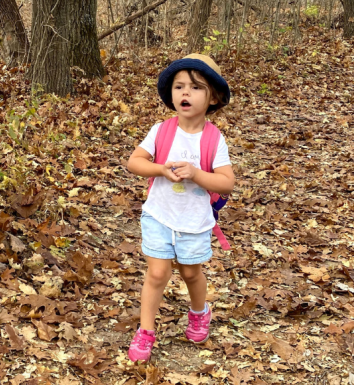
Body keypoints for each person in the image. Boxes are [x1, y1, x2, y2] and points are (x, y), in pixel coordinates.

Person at [126, 54, 235, 362]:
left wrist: (197, 174)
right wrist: (161, 169)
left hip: (193, 220)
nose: (185, 93)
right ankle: (146, 331)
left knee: (190, 272)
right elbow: (134, 162)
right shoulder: (161, 130)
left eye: (195, 87)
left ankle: (200, 312)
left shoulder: (214, 139)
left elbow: (227, 182)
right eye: (179, 86)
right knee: (157, 273)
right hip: (159, 214)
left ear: (212, 96)